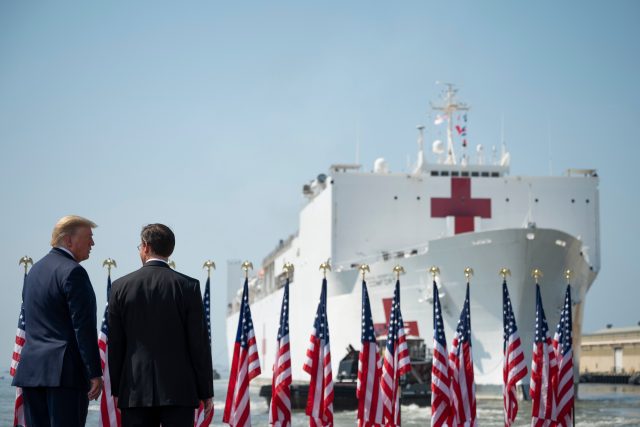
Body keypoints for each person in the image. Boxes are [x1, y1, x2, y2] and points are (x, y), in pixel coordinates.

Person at [108, 223, 214, 427]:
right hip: (179, 391)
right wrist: (205, 391)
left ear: (146, 247)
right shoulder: (189, 287)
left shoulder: (120, 287)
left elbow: (116, 343)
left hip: (134, 390)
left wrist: (117, 389)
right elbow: (198, 344)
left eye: (139, 246)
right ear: (170, 249)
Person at [13, 215, 103, 427]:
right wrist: (94, 372)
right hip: (64, 375)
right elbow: (83, 327)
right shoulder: (73, 272)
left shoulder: (34, 272)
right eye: (89, 237)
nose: (93, 243)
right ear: (69, 240)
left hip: (31, 372)